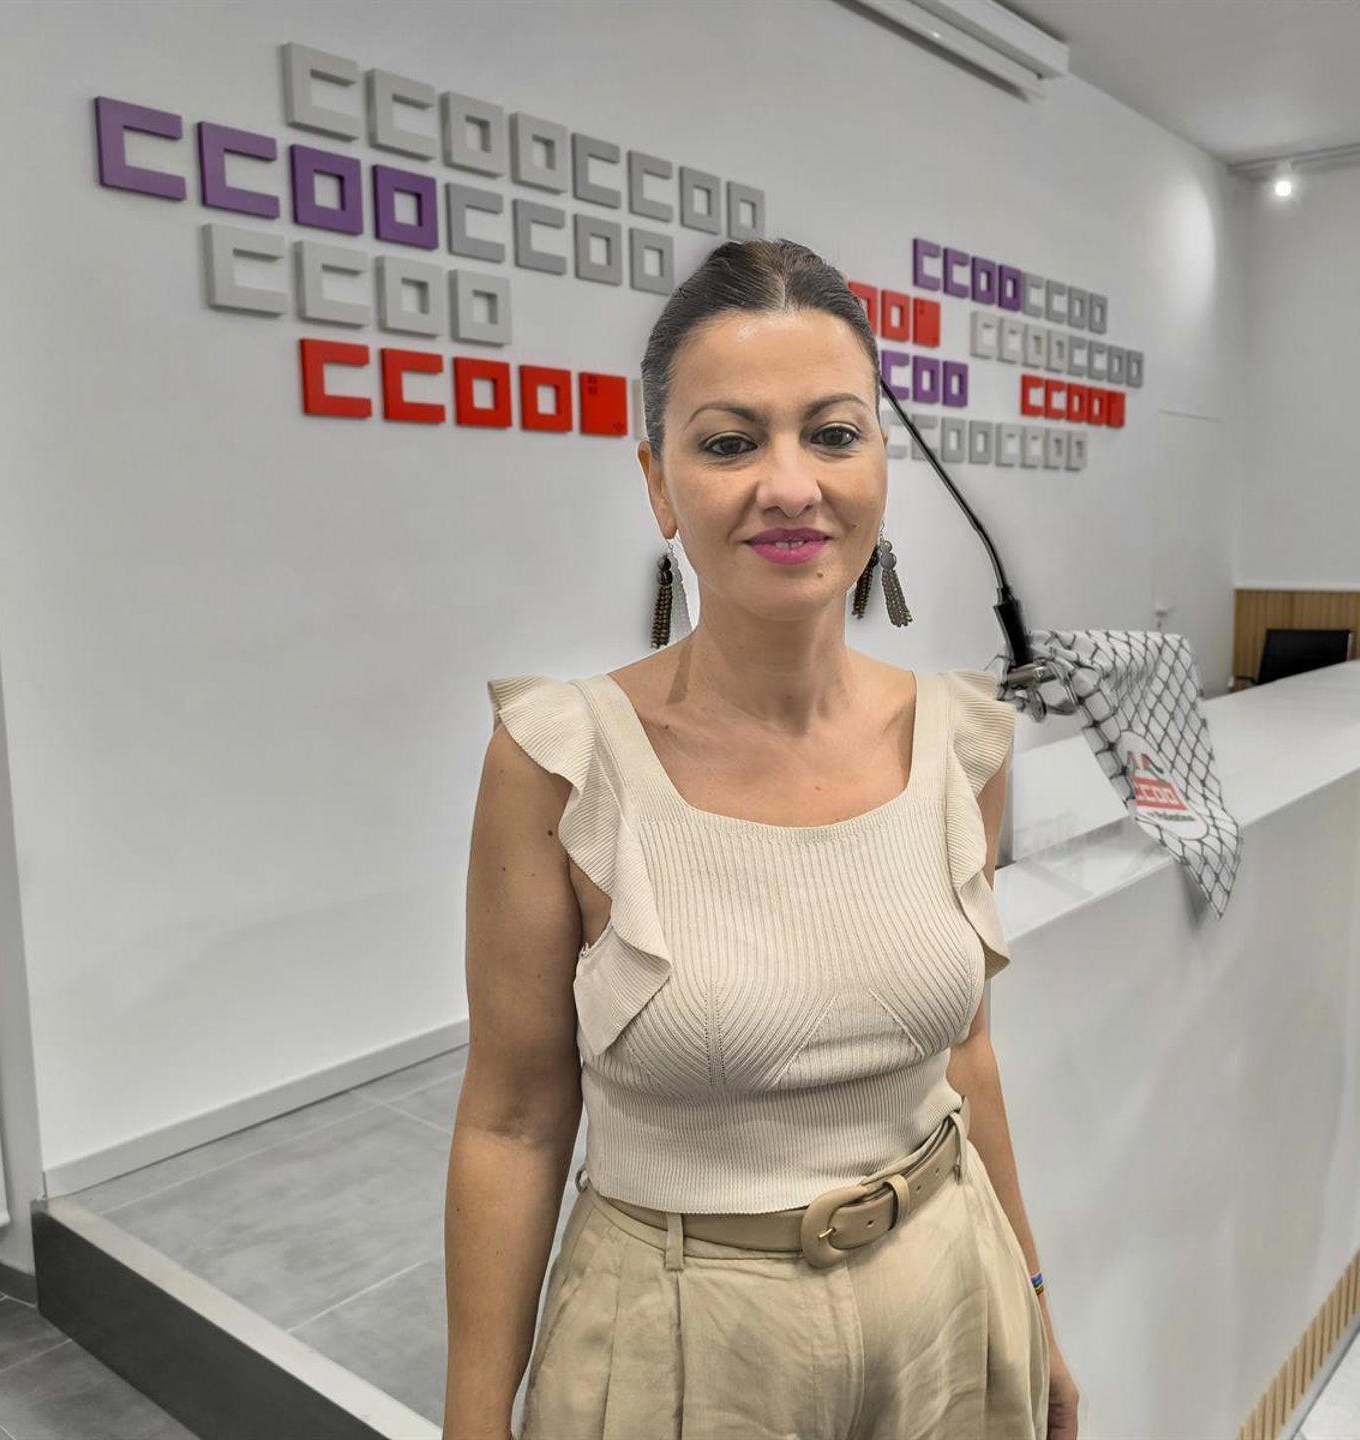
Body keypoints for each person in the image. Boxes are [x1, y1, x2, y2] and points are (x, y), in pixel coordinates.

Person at [444, 238, 1079, 1439]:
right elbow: (513, 1119)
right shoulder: (561, 760)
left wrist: (1036, 1303)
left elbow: (968, 1056)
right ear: (658, 483)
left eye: (833, 434)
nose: (791, 485)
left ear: (881, 464)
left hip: (952, 1300)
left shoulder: (962, 742)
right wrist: (473, 1423)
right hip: (678, 1340)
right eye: (731, 443)